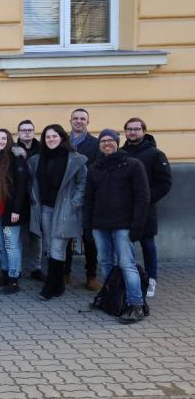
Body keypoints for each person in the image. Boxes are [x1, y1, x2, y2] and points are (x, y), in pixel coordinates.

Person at [84, 129, 150, 324]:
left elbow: (142, 198)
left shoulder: (133, 165)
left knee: (126, 264)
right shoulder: (95, 168)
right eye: (103, 141)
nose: (106, 144)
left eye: (110, 140)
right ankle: (111, 298)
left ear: (117, 142)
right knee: (105, 263)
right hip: (100, 224)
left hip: (124, 225)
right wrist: (87, 227)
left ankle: (135, 305)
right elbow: (88, 200)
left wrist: (137, 226)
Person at [27, 125, 88, 301]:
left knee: (57, 247)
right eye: (47, 137)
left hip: (64, 209)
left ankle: (50, 286)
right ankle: (59, 285)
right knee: (49, 246)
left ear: (62, 138)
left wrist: (74, 203)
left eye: (54, 136)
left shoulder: (75, 159)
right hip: (45, 208)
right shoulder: (38, 159)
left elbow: (83, 183)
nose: (51, 139)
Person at [121, 118, 172, 297]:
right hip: (124, 210)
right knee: (125, 246)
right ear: (125, 132)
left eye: (136, 129)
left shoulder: (155, 154)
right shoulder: (120, 152)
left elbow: (165, 183)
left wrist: (146, 199)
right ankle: (130, 279)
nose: (133, 132)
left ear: (144, 131)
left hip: (146, 210)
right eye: (129, 129)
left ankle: (151, 280)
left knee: (148, 245)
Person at [0, 129, 29, 294]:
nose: (0, 141)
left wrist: (16, 210)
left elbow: (21, 185)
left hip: (11, 208)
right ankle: (5, 273)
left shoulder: (15, 158)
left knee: (11, 245)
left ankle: (13, 279)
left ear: (9, 140)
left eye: (4, 138)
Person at [66, 108, 100, 290]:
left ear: (88, 122)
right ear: (70, 121)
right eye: (76, 118)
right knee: (65, 236)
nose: (79, 121)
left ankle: (91, 275)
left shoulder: (95, 144)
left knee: (89, 238)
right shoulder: (62, 142)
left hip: (89, 197)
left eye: (82, 119)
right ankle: (65, 272)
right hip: (66, 197)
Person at [15, 120, 44, 282]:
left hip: (36, 198)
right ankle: (17, 268)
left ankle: (36, 268)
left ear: (34, 132)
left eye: (30, 130)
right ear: (18, 133)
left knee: (36, 235)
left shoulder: (42, 149)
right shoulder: (12, 150)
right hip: (18, 198)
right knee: (17, 235)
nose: (27, 132)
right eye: (23, 130)